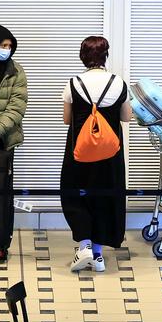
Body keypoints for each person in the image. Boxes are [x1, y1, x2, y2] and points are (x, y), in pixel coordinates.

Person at [60, 36, 129, 273]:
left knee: (76, 195)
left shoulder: (73, 83)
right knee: (105, 197)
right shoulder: (118, 83)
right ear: (105, 56)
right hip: (110, 154)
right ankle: (98, 255)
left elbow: (67, 120)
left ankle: (84, 245)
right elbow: (126, 117)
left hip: (79, 152)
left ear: (83, 56)